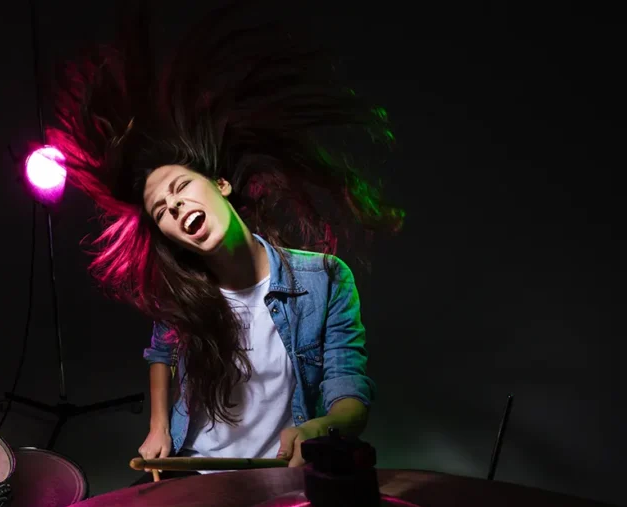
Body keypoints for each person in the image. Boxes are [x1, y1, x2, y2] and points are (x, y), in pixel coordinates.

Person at [49, 3, 403, 482]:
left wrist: (325, 426)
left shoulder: (325, 279)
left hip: (282, 479)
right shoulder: (182, 295)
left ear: (220, 184)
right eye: (161, 211)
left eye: (181, 189)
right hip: (195, 473)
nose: (174, 208)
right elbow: (160, 353)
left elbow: (348, 387)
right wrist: (159, 427)